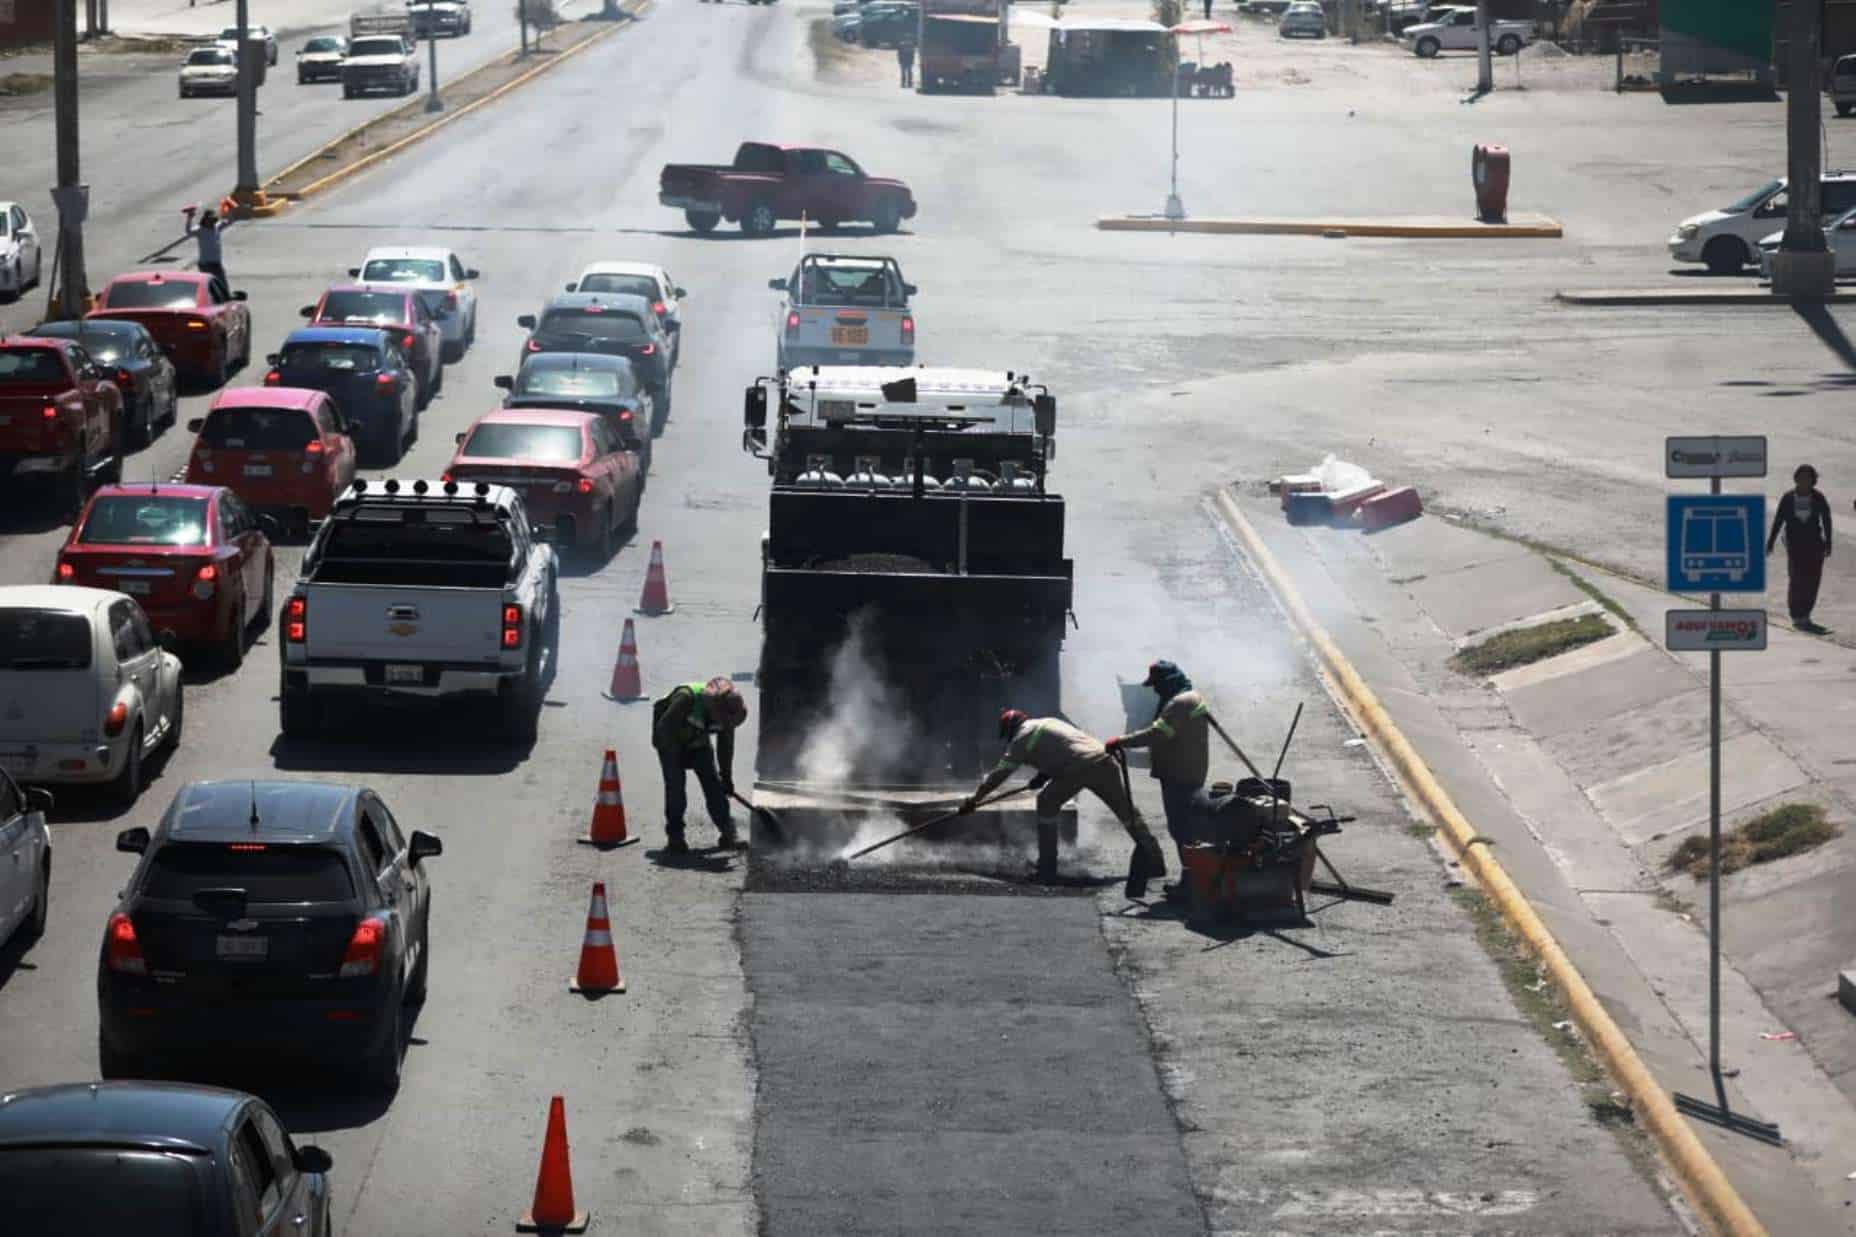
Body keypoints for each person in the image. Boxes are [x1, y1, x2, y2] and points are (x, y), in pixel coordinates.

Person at [963, 709, 1167, 895]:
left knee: (1046, 802)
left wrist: (974, 800)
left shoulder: (1021, 738)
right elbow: (1066, 747)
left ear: (1010, 728)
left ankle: (1047, 868)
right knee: (1126, 812)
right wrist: (1044, 775)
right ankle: (1154, 861)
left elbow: (999, 775)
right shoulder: (1049, 722)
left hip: (1079, 768)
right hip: (1104, 759)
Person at [1108, 660, 1211, 897]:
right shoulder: (1189, 696)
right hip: (1186, 769)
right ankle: (1192, 879)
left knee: (1182, 828)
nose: (1155, 690)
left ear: (1167, 681)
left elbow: (1158, 733)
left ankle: (1191, 883)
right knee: (1186, 827)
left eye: (1157, 685)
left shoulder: (1179, 703)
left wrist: (1121, 742)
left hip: (1180, 774)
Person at [652, 677, 748, 854]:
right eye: (723, 722)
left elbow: (725, 747)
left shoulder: (728, 714)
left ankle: (728, 832)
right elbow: (662, 731)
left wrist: (726, 777)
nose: (725, 726)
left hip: (697, 740)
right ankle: (676, 836)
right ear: (713, 709)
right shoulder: (686, 699)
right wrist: (677, 758)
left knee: (713, 784)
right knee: (675, 786)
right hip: (669, 738)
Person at [1765, 464, 1833, 634]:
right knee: (1796, 579)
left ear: (1813, 480)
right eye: (1801, 477)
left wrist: (1829, 542)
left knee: (1812, 581)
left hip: (1815, 545)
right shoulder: (1788, 498)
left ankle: (1806, 614)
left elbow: (1826, 519)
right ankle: (1796, 615)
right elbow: (1779, 520)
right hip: (1795, 545)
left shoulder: (1818, 498)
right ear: (1796, 479)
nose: (1805, 481)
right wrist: (1771, 542)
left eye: (1808, 478)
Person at [183, 205, 229, 299]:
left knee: (223, 285)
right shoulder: (200, 230)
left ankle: (226, 299)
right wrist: (189, 218)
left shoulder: (216, 227)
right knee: (209, 286)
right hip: (205, 264)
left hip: (217, 263)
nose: (211, 221)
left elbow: (227, 220)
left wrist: (226, 210)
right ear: (205, 219)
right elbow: (188, 232)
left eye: (213, 219)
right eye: (210, 219)